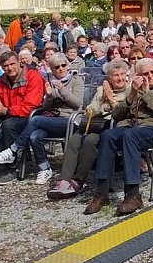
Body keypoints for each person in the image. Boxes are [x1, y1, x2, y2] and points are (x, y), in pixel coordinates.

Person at [83, 58, 153, 216]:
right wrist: (131, 96)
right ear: (138, 75)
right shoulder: (134, 88)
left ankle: (133, 194)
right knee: (108, 135)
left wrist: (147, 94)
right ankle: (101, 192)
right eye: (145, 73)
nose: (150, 76)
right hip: (131, 127)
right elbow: (116, 114)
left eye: (152, 72)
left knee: (129, 135)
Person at [0, 53, 83, 185]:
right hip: (52, 119)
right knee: (34, 135)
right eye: (57, 67)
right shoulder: (50, 82)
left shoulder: (76, 80)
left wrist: (62, 89)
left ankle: (13, 150)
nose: (61, 69)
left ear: (68, 66)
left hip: (70, 120)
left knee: (35, 120)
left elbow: (78, 103)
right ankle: (45, 168)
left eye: (63, 65)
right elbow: (45, 106)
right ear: (52, 68)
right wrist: (49, 96)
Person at [48, 59, 132, 199]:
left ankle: (78, 181)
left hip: (113, 126)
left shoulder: (130, 90)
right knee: (75, 138)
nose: (120, 78)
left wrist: (108, 102)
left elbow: (123, 112)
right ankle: (64, 180)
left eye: (123, 74)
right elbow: (89, 110)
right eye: (116, 75)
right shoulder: (101, 90)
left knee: (90, 140)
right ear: (109, 78)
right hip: (95, 123)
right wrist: (102, 101)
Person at [0, 50, 46, 184]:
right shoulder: (2, 79)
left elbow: (30, 106)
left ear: (20, 63)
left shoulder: (32, 77)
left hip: (29, 117)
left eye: (12, 64)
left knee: (8, 125)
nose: (10, 68)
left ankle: (9, 169)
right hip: (7, 113)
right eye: (6, 66)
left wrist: (6, 110)